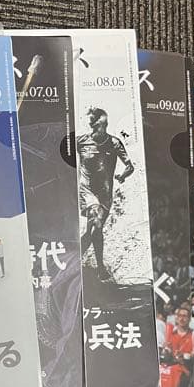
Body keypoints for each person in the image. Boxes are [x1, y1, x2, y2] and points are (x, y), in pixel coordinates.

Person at [77, 107, 134, 281]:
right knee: (96, 223)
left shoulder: (114, 143)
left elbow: (130, 166)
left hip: (105, 195)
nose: (94, 128)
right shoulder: (80, 142)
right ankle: (100, 268)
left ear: (105, 124)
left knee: (92, 231)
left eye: (98, 125)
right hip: (86, 191)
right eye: (92, 124)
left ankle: (74, 260)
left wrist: (122, 176)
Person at [158, 303, 194, 387]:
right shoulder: (170, 333)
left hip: (185, 369)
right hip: (170, 369)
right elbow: (165, 351)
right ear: (176, 318)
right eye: (179, 316)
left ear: (189, 319)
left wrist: (185, 356)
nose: (182, 319)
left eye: (185, 316)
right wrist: (166, 351)